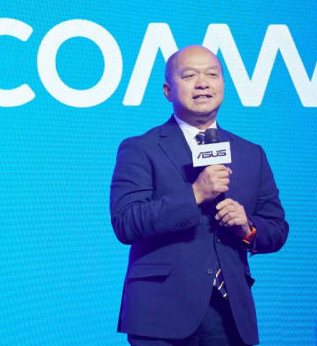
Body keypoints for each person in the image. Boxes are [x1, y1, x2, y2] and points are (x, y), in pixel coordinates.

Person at [109, 45, 289, 345]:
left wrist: (247, 228)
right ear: (168, 90)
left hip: (230, 314)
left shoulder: (251, 153)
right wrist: (194, 194)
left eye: (212, 75)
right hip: (160, 314)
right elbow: (126, 222)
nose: (203, 83)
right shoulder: (140, 148)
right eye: (190, 75)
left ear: (223, 86)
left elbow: (277, 229)